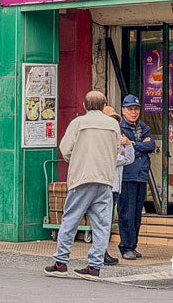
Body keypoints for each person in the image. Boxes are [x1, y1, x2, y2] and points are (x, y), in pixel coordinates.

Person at [45, 90, 120, 280]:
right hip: (105, 179)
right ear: (104, 106)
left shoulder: (78, 123)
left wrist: (75, 159)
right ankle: (95, 267)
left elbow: (65, 149)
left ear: (84, 106)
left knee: (70, 219)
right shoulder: (113, 124)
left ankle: (61, 262)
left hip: (82, 177)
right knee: (102, 224)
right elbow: (117, 148)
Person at [117, 94, 155, 260]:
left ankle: (133, 245)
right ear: (123, 110)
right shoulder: (119, 128)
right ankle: (126, 246)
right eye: (130, 109)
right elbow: (122, 150)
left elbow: (151, 145)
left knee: (137, 212)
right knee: (126, 212)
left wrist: (132, 144)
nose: (133, 112)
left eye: (136, 109)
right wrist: (141, 146)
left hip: (141, 174)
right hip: (127, 175)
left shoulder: (145, 127)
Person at [102, 104, 136, 266]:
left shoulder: (118, 137)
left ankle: (102, 251)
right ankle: (100, 252)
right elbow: (112, 159)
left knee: (107, 219)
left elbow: (128, 159)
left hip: (115, 186)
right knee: (103, 219)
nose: (114, 122)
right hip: (104, 184)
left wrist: (128, 145)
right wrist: (121, 156)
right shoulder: (102, 138)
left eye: (115, 120)